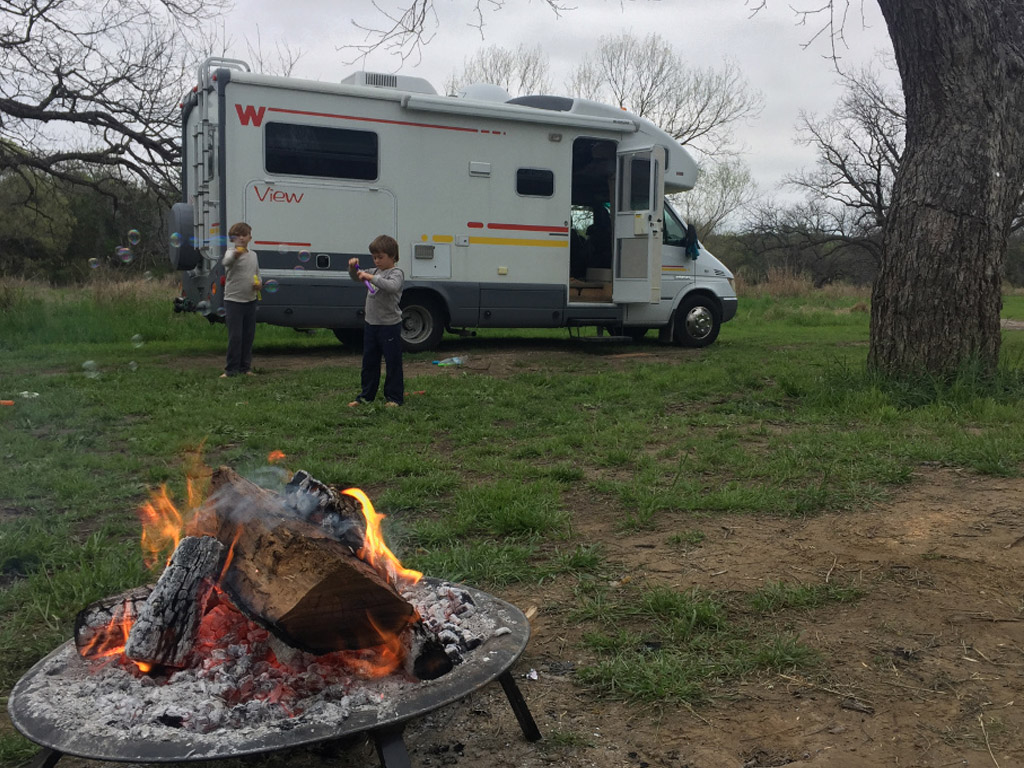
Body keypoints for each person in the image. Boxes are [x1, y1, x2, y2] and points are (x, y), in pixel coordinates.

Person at [348, 235, 405, 407]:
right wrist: (353, 268)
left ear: (393, 256)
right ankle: (366, 396)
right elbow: (355, 277)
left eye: (380, 257)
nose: (377, 261)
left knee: (392, 362)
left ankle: (394, 398)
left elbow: (391, 286)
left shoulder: (396, 273)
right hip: (371, 325)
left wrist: (370, 278)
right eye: (374, 257)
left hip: (390, 326)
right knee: (369, 363)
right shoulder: (374, 271)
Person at [220, 221, 261, 378]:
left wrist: (259, 284)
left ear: (250, 237)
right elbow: (226, 263)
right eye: (238, 236)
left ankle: (245, 368)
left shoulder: (254, 255)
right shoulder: (230, 253)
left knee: (248, 336)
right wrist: (236, 253)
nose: (242, 238)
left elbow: (257, 273)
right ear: (233, 239)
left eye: (245, 235)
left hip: (250, 300)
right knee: (235, 337)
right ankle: (231, 370)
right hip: (233, 300)